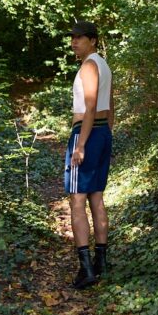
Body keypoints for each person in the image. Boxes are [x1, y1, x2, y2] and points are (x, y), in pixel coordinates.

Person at [65, 20, 114, 290]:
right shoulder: (103, 65)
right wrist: (108, 133)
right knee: (96, 196)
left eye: (80, 38)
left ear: (93, 40)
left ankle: (86, 270)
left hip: (87, 132)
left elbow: (92, 104)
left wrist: (81, 144)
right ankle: (101, 263)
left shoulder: (89, 66)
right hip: (101, 132)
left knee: (77, 199)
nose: (75, 42)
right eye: (72, 38)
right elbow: (111, 101)